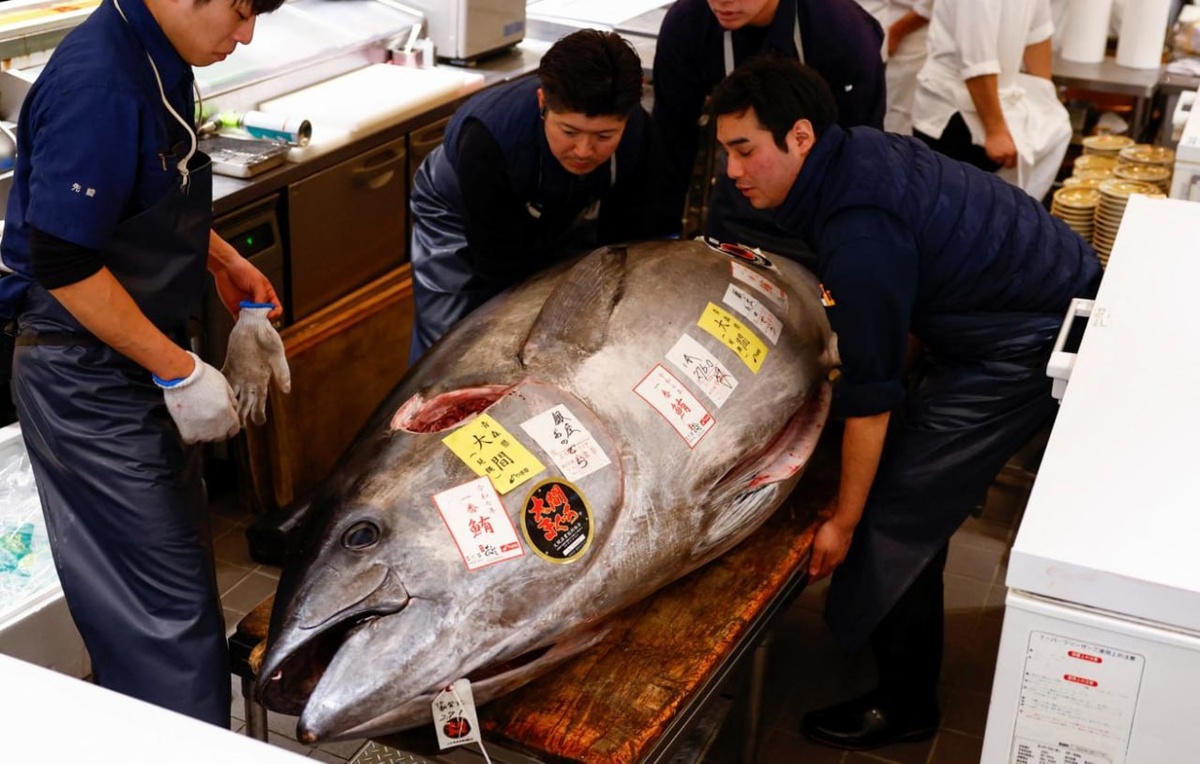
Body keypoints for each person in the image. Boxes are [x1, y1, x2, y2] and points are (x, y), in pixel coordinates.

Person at [708, 56, 1100, 750]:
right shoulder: (850, 152)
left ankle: (907, 700)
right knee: (894, 461)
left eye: (746, 150)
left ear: (799, 136)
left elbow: (874, 395)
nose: (734, 171)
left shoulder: (857, 226)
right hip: (1022, 297)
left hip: (1024, 341)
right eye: (726, 152)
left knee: (896, 504)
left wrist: (844, 522)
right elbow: (905, 299)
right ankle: (879, 622)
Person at [0, 0, 288, 727]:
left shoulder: (159, 53)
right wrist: (178, 369)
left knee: (178, 588)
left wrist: (219, 259)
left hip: (125, 356)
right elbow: (64, 261)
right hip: (83, 374)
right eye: (240, 9)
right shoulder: (100, 82)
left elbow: (144, 187)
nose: (245, 34)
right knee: (163, 621)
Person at [408, 29, 673, 361]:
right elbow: (499, 269)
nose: (584, 150)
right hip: (458, 210)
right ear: (542, 103)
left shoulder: (639, 136)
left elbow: (627, 244)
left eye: (604, 135)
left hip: (561, 205)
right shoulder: (487, 142)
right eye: (569, 131)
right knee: (457, 344)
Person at [652, 0, 885, 259]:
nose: (722, 2)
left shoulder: (842, 33)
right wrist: (660, 241)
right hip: (741, 190)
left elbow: (862, 154)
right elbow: (670, 143)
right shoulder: (688, 24)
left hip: (820, 194)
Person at [911, 0, 1070, 202]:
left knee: (991, 211)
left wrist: (1047, 103)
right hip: (952, 110)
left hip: (995, 101)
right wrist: (995, 130)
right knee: (953, 210)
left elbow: (1038, 35)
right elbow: (976, 58)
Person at [855, 0, 933, 134]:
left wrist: (896, 32)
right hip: (859, 34)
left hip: (907, 38)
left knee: (895, 120)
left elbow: (930, 5)